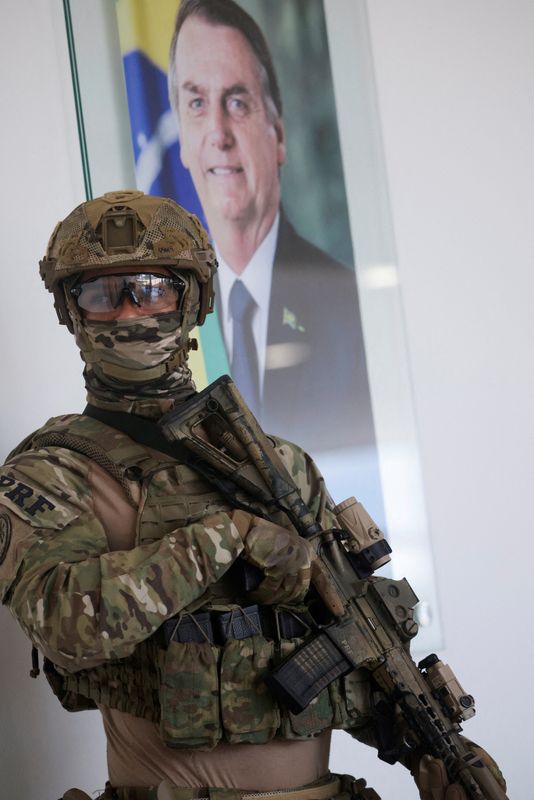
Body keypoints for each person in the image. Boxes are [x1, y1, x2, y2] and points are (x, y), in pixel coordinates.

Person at [0, 192, 504, 800]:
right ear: (70, 310)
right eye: (103, 294)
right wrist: (225, 539)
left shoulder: (280, 466)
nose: (131, 312)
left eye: (152, 287)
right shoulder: (53, 471)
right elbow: (63, 625)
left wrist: (427, 744)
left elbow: (345, 638)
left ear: (194, 299)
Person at [167, 0, 377, 457]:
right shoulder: (164, 322)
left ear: (278, 135)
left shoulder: (356, 312)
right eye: (197, 103)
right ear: (182, 139)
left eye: (237, 102)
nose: (218, 133)